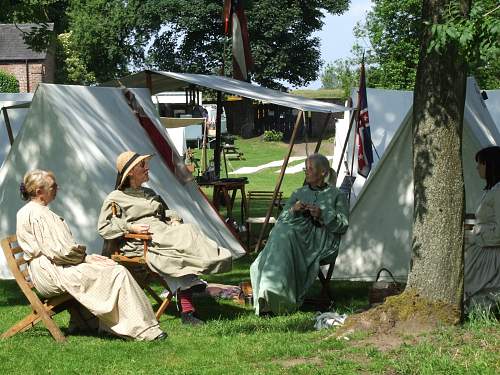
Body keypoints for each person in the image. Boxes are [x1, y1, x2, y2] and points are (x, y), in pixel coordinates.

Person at [16, 170, 166, 341]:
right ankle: (142, 330)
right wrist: (86, 258)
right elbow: (59, 251)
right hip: (52, 273)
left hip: (57, 266)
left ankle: (108, 323)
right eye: (53, 186)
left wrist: (85, 258)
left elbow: (59, 251)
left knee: (112, 267)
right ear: (38, 192)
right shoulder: (36, 214)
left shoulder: (37, 211)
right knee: (116, 273)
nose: (57, 188)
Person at [98, 151, 232, 325]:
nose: (148, 168)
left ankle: (211, 263)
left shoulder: (149, 193)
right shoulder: (116, 197)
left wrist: (174, 220)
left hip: (162, 233)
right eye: (143, 165)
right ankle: (190, 300)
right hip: (141, 241)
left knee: (187, 231)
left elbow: (165, 212)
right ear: (130, 172)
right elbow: (104, 226)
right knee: (180, 245)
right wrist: (131, 227)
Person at [250, 153, 349, 315]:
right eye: (306, 168)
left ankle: (276, 295)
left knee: (284, 235)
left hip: (320, 241)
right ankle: (269, 292)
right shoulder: (299, 193)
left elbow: (343, 225)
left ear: (323, 172)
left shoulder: (336, 195)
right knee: (281, 232)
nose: (307, 172)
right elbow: (282, 218)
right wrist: (293, 210)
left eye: (310, 169)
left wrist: (323, 214)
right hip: (294, 236)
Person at [464, 146, 500, 311]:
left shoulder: (499, 192)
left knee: (482, 293)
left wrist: (474, 234)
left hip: (491, 255)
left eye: (480, 163)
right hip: (482, 251)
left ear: (490, 164)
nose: (477, 167)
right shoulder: (492, 191)